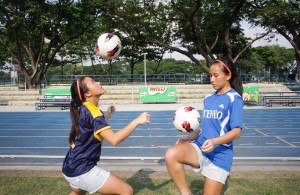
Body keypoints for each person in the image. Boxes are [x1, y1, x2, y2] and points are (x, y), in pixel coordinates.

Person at [165, 58, 243, 195]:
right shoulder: (208, 99)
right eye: (210, 75)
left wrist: (214, 142)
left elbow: (237, 132)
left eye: (216, 75)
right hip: (200, 147)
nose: (212, 79)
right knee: (171, 154)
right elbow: (206, 127)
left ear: (228, 75)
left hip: (219, 155)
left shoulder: (234, 99)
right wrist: (190, 137)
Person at [62, 76, 151, 195]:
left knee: (78, 192)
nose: (99, 82)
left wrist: (107, 116)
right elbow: (114, 140)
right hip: (81, 169)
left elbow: (91, 127)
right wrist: (137, 121)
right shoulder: (93, 112)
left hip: (70, 165)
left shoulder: (83, 107)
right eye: (93, 82)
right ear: (87, 93)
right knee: (126, 191)